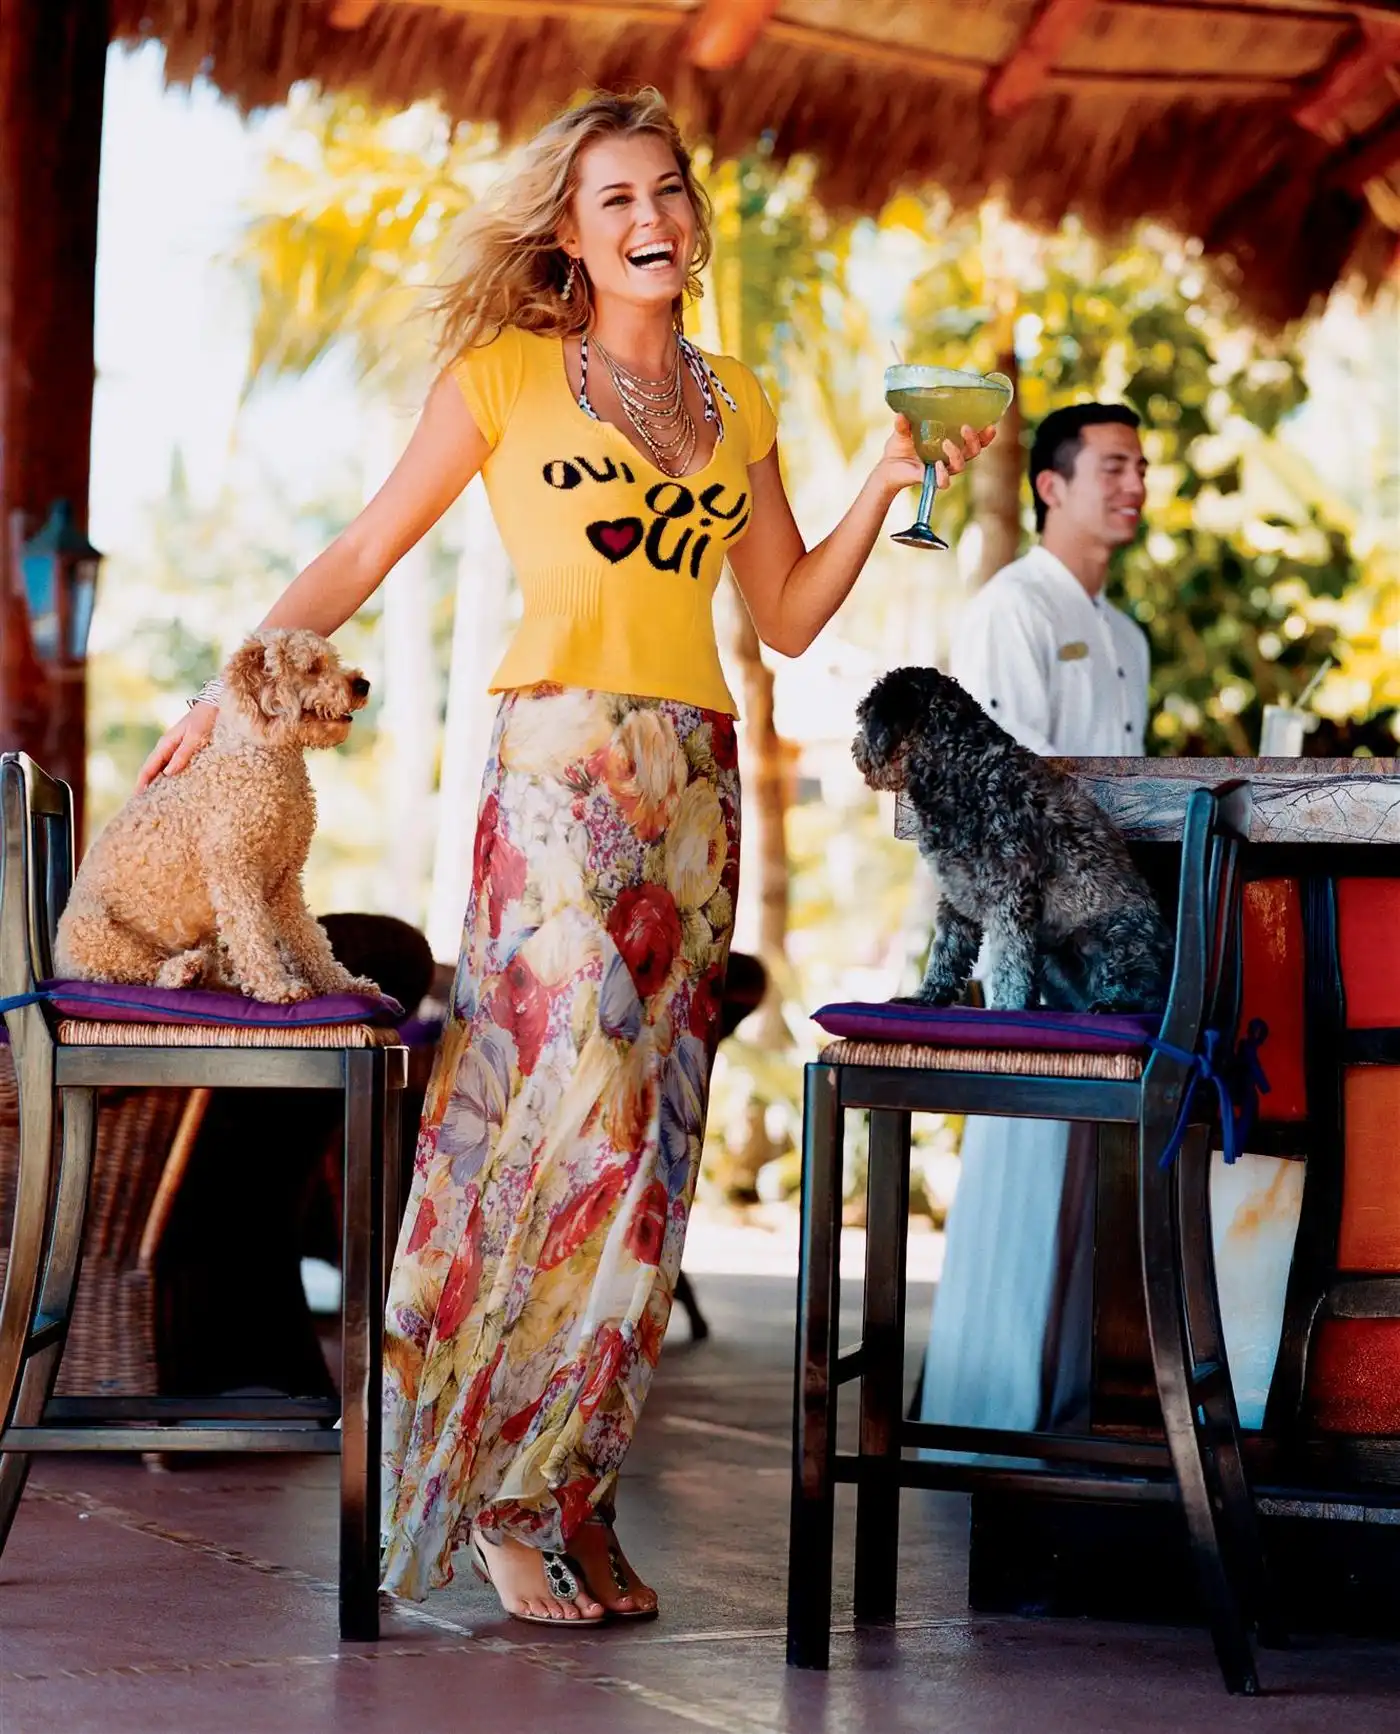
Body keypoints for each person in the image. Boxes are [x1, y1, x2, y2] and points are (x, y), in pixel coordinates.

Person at [138, 89, 994, 1627]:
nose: (651, 216)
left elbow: (787, 615)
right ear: (570, 236)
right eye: (616, 199)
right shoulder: (505, 377)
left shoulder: (740, 400)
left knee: (654, 1152)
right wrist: (228, 685)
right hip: (556, 776)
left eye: (668, 190)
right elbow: (361, 550)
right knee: (564, 1120)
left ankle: (574, 1484)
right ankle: (501, 1494)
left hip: (694, 783)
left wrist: (883, 480)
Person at [917, 402, 1150, 1436]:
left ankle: (1061, 1418)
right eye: (1113, 466)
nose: (1134, 485)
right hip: (1033, 945)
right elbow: (996, 804)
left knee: (1084, 1182)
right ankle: (983, 1422)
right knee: (1021, 1163)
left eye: (1140, 467)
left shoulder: (1125, 635)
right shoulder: (1012, 609)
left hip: (1105, 942)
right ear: (1050, 486)